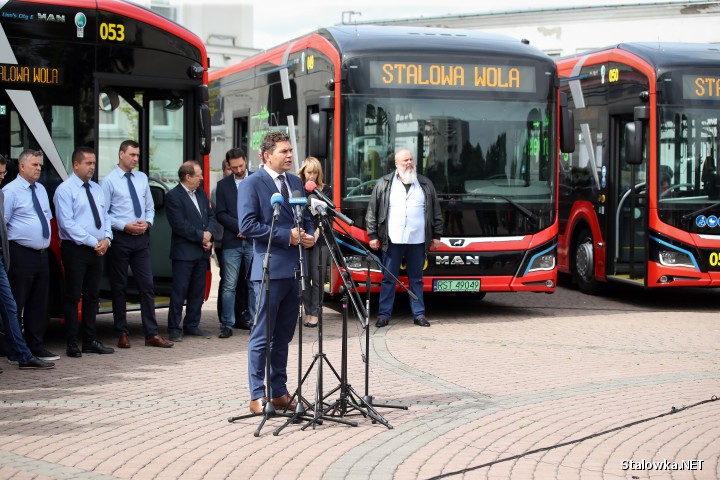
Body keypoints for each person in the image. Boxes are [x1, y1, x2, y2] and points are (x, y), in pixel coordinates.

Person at [237, 131, 315, 414]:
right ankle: (257, 394)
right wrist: (287, 236)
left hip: (295, 270)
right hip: (268, 271)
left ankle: (279, 391)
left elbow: (304, 220)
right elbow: (247, 226)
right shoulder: (251, 184)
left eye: (291, 150)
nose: (290, 156)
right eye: (284, 151)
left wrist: (310, 235)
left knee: (283, 336)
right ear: (266, 155)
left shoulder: (295, 182)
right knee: (262, 336)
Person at [101, 140, 173, 349]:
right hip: (120, 238)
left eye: (137, 155)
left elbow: (149, 207)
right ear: (121, 154)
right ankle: (122, 332)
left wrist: (148, 222)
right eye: (131, 155)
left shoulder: (142, 178)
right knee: (119, 286)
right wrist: (124, 226)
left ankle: (151, 333)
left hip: (141, 238)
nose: (135, 159)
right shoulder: (109, 181)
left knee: (146, 285)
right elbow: (104, 214)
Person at [366, 148, 443, 328]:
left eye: (411, 159)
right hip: (392, 240)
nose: (409, 163)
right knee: (388, 278)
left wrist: (437, 235)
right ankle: (384, 315)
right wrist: (372, 235)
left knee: (416, 278)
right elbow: (372, 211)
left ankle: (419, 314)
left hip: (418, 240)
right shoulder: (384, 183)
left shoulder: (424, 184)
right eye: (405, 160)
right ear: (396, 164)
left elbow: (436, 211)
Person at [54, 147, 115, 357]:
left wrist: (107, 239)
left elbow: (106, 217)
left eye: (94, 163)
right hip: (76, 249)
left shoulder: (97, 189)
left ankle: (90, 340)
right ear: (76, 165)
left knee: (92, 296)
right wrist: (93, 242)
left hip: (97, 249)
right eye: (88, 163)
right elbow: (67, 223)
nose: (92, 167)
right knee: (72, 296)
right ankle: (72, 342)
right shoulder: (65, 190)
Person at [2, 150, 58, 362]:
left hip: (43, 254)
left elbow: (46, 217)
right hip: (20, 253)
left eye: (40, 165)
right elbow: (3, 225)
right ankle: (13, 349)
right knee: (16, 301)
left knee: (39, 302)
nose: (38, 169)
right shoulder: (11, 191)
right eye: (34, 165)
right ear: (22, 166)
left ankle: (36, 345)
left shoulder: (41, 189)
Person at [165, 160, 217, 342]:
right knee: (179, 291)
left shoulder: (201, 193)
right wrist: (201, 237)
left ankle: (192, 325)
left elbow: (211, 216)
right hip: (184, 253)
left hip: (202, 252)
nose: (202, 178)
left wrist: (209, 234)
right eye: (199, 175)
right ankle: (173, 328)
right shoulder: (173, 196)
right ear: (188, 177)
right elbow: (179, 225)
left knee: (197, 291)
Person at [215, 148, 254, 338]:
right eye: (234, 167)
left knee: (254, 283)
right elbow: (220, 213)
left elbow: (263, 208)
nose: (238, 170)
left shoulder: (257, 179)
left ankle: (255, 322)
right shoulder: (223, 186)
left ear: (246, 161)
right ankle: (227, 324)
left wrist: (249, 228)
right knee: (229, 284)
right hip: (232, 241)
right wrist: (239, 228)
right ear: (228, 166)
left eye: (241, 165)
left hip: (254, 240)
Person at [297, 156, 331, 328]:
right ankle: (307, 311)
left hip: (320, 240)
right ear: (303, 172)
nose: (311, 176)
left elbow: (327, 218)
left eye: (315, 172)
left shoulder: (325, 191)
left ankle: (316, 313)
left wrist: (315, 236)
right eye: (309, 172)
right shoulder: (298, 190)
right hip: (302, 238)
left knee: (317, 278)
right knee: (305, 276)